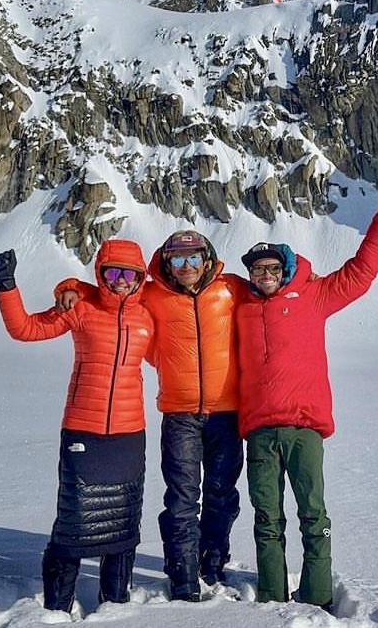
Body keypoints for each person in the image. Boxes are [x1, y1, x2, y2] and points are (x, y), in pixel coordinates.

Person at [55, 229, 246, 602]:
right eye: (178, 260)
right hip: (179, 413)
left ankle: (212, 562)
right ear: (166, 265)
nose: (187, 267)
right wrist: (69, 285)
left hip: (227, 412)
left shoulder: (231, 289)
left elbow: (276, 288)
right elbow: (106, 291)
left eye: (194, 258)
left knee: (222, 495)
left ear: (207, 260)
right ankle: (183, 576)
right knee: (182, 498)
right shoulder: (154, 294)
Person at [235, 186, 378, 611]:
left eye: (272, 268)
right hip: (258, 432)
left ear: (285, 268)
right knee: (266, 520)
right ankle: (272, 596)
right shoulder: (239, 305)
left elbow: (359, 274)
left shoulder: (313, 295)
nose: (264, 275)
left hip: (304, 429)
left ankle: (317, 595)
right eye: (257, 270)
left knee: (314, 517)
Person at [0, 239, 153, 613]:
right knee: (75, 521)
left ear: (141, 277)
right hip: (84, 430)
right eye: (113, 273)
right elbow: (26, 329)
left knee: (123, 523)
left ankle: (116, 604)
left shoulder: (147, 314)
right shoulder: (83, 308)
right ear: (101, 274)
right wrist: (8, 285)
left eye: (130, 274)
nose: (121, 281)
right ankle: (57, 607)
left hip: (129, 434)